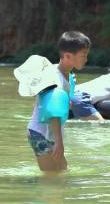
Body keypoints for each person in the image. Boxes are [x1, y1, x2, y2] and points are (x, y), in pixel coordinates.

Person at [13, 31, 91, 172]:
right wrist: (59, 143)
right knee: (52, 177)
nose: (86, 59)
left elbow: (58, 104)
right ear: (67, 56)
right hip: (40, 134)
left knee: (63, 171)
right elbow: (53, 112)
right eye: (83, 55)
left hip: (50, 133)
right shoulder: (54, 78)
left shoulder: (68, 76)